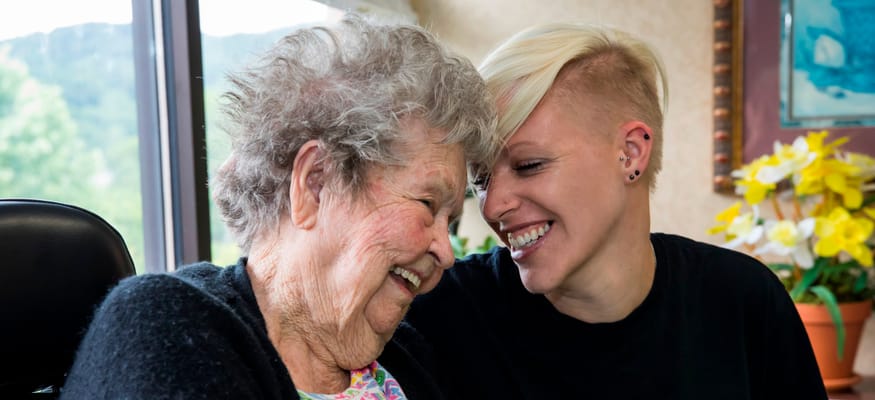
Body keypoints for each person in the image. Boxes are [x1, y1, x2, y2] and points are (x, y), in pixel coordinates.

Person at [60, 15, 498, 400]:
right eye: (427, 204)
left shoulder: (410, 358)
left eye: (451, 220)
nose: (446, 250)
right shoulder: (165, 326)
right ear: (315, 183)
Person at [403, 22, 828, 399]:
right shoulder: (439, 316)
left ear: (630, 153)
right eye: (481, 179)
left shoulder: (743, 302)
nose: (493, 205)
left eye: (529, 165)